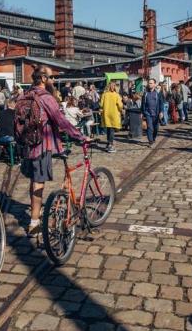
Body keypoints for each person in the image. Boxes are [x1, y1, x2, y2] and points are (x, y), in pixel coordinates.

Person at [17, 65, 86, 235]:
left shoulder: (24, 95)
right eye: (51, 76)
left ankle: (37, 211)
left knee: (34, 181)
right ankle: (34, 223)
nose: (54, 80)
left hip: (27, 145)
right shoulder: (46, 97)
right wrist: (80, 136)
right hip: (41, 145)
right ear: (43, 79)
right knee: (38, 183)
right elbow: (60, 120)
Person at [100, 81, 123, 153]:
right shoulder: (116, 95)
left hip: (106, 114)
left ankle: (108, 143)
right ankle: (110, 144)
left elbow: (101, 104)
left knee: (108, 129)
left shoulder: (104, 94)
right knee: (112, 130)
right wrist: (121, 109)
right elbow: (120, 105)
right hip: (114, 114)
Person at [141, 78, 164, 146]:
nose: (149, 84)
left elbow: (161, 103)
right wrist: (142, 112)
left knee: (156, 128)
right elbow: (143, 104)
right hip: (148, 113)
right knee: (150, 127)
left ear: (154, 84)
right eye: (149, 83)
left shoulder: (158, 94)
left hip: (156, 114)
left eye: (151, 83)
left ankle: (153, 138)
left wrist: (161, 112)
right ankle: (150, 140)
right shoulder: (145, 94)